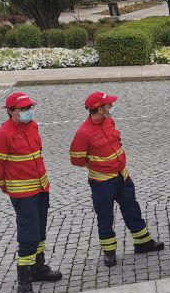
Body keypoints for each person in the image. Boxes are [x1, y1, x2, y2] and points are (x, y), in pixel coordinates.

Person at [70, 92, 164, 267]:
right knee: (105, 216)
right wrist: (96, 166)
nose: (111, 107)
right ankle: (109, 252)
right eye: (109, 105)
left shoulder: (108, 121)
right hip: (102, 182)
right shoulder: (83, 133)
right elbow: (76, 159)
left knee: (132, 209)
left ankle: (143, 243)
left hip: (122, 176)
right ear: (100, 109)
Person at [0, 92, 61, 293]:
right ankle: (24, 282)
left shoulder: (32, 126)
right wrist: (8, 188)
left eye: (29, 108)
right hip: (23, 192)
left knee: (40, 230)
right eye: (23, 109)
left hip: (41, 187)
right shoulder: (3, 134)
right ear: (10, 111)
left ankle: (38, 268)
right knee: (28, 235)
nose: (28, 112)